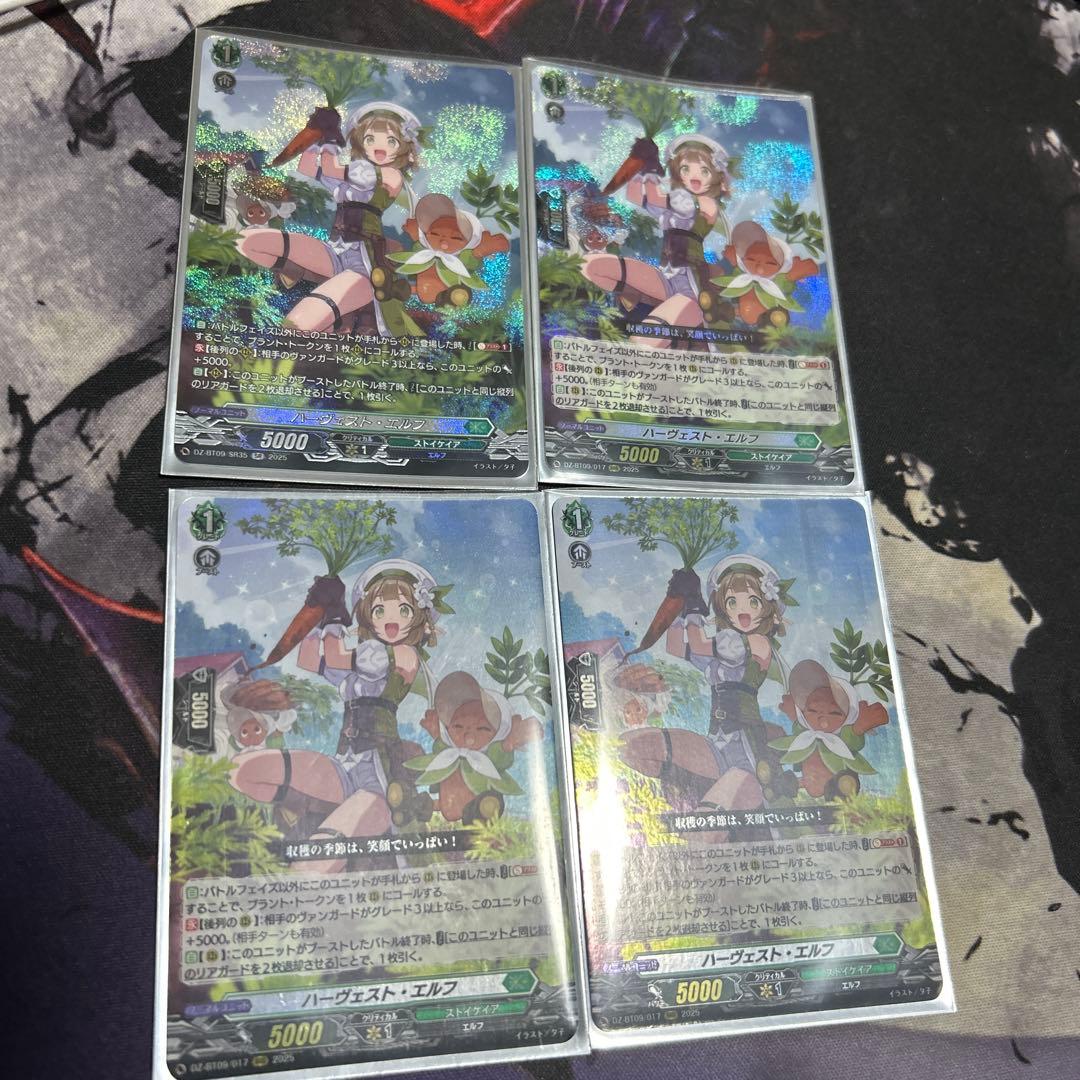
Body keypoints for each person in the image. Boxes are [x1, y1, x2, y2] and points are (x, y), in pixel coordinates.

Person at [581, 134, 732, 346]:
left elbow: (656, 198)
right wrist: (641, 165)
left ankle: (662, 314)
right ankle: (643, 297)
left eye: (704, 171)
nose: (694, 176)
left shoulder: (705, 203)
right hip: (666, 279)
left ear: (716, 177)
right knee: (590, 265)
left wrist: (651, 169)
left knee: (642, 342)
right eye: (686, 169)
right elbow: (635, 195)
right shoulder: (675, 205)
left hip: (692, 289)